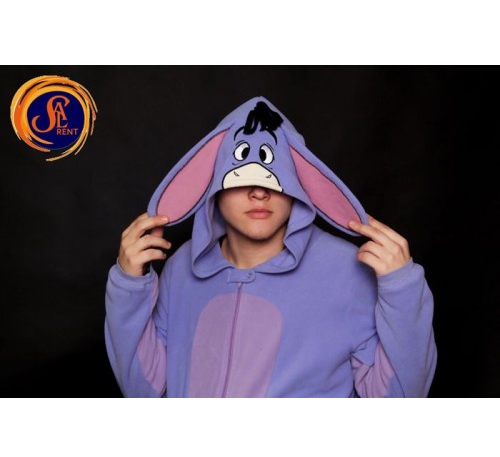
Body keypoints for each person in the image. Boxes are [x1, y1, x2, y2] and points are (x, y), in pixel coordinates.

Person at [104, 97, 437, 398]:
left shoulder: (348, 272)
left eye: (273, 174)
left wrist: (402, 289)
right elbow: (142, 390)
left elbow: (400, 399)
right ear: (215, 182)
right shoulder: (180, 270)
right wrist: (128, 287)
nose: (259, 192)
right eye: (239, 175)